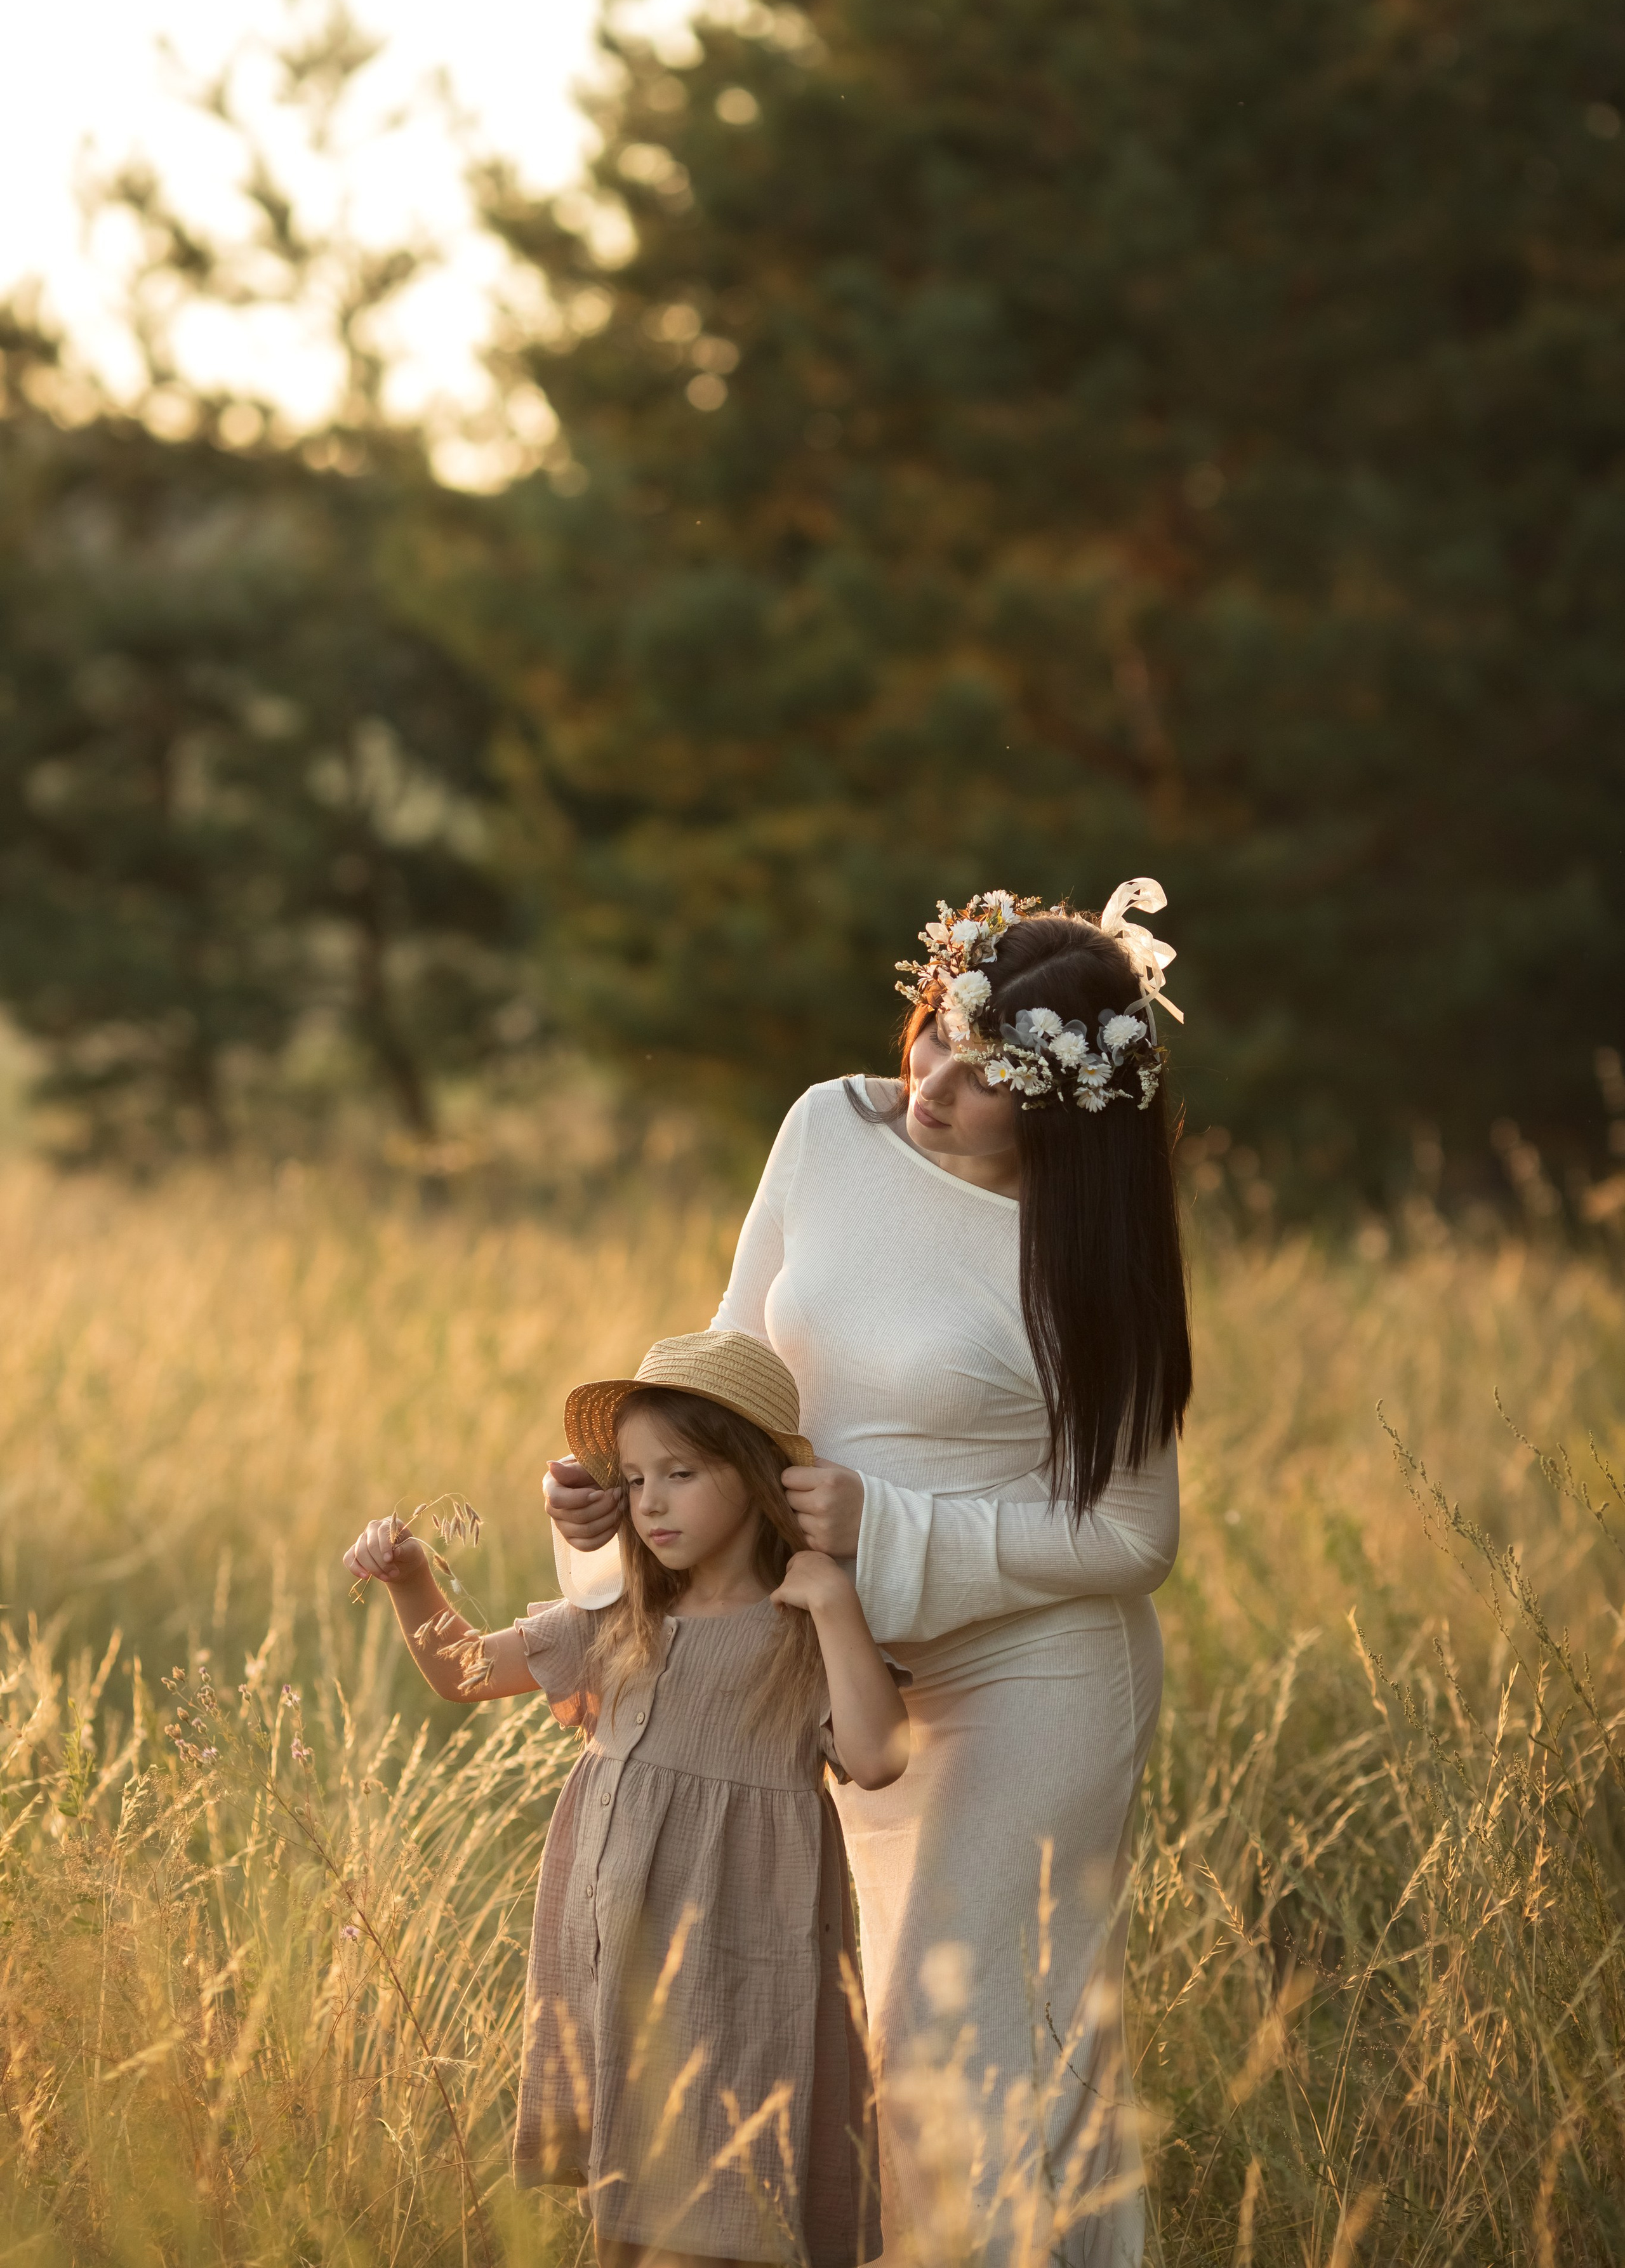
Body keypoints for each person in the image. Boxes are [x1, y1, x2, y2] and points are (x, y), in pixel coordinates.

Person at [550, 880, 1190, 2268]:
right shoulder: (826, 1130)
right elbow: (732, 1359)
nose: (933, 1086)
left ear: (1065, 1111)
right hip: (830, 1663)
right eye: (936, 1033)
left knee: (967, 2046)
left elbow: (1134, 1536)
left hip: (1028, 1675)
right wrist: (626, 1498)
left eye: (986, 1077)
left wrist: (883, 1527)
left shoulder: (1094, 1257)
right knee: (841, 2035)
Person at [343, 1328, 909, 2268]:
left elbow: (880, 1757)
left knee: (730, 2193)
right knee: (629, 2204)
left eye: (681, 1474)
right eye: (637, 1479)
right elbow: (464, 1670)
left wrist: (836, 1603)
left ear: (756, 1477)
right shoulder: (622, 1616)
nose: (651, 1502)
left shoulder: (799, 1627)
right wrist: (410, 1580)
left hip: (744, 1963)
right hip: (620, 1959)